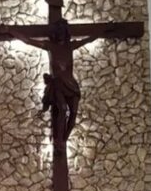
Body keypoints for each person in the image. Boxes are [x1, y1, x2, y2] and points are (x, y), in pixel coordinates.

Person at [5, 18, 98, 148]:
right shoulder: (50, 46)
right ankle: (59, 140)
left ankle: (64, 139)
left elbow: (88, 40)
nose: (60, 34)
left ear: (66, 32)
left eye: (62, 31)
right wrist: (10, 31)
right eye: (58, 31)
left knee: (73, 113)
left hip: (71, 85)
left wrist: (104, 30)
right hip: (58, 85)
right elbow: (28, 41)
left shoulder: (70, 46)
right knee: (62, 109)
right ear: (55, 33)